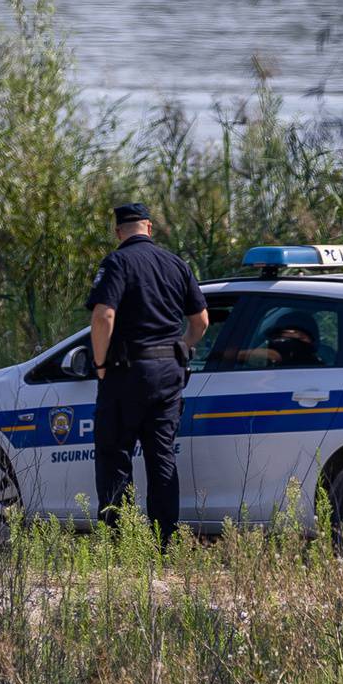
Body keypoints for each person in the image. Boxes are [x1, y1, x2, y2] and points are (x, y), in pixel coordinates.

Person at [85, 202, 208, 545]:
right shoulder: (176, 264)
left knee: (115, 456)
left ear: (118, 232)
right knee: (162, 457)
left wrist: (100, 364)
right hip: (168, 374)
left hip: (126, 372)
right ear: (149, 228)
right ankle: (164, 542)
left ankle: (119, 542)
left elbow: (103, 317)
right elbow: (201, 322)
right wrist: (180, 347)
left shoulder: (117, 262)